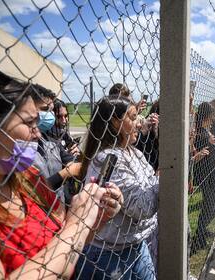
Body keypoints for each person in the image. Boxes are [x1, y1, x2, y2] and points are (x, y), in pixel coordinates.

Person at [0, 66, 122, 279]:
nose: (38, 134)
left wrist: (93, 218)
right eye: (29, 123)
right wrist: (77, 224)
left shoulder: (29, 178)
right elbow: (66, 239)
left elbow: (64, 251)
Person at [76, 95, 157, 280]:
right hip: (108, 255)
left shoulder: (134, 152)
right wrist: (163, 183)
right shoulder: (108, 159)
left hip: (134, 245)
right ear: (115, 122)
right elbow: (142, 207)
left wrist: (157, 182)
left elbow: (151, 186)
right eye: (133, 117)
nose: (139, 123)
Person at [30, 86, 82, 202]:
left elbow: (73, 160)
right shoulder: (20, 148)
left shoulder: (50, 141)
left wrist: (76, 158)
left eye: (51, 110)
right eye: (45, 109)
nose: (50, 115)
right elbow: (32, 190)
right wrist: (65, 173)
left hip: (59, 205)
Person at [191, 102, 215, 253]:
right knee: (209, 205)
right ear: (208, 115)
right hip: (207, 174)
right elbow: (197, 152)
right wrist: (208, 142)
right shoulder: (200, 133)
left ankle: (202, 230)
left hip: (214, 171)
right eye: (214, 113)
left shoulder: (206, 130)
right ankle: (199, 236)